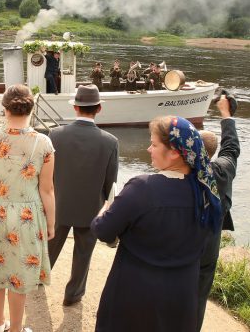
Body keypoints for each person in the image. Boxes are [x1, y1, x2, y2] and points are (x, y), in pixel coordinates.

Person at [91, 115, 222, 331]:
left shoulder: (142, 188)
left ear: (174, 152)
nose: (148, 149)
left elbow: (103, 230)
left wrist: (105, 209)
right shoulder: (207, 194)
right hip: (182, 295)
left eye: (154, 144)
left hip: (136, 294)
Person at [0, 84, 55, 332]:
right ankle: (16, 329)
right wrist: (50, 223)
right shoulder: (43, 143)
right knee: (19, 275)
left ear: (5, 109)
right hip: (28, 216)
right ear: (31, 109)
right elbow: (47, 190)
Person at [47, 84, 119, 307]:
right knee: (83, 254)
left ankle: (39, 278)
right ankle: (73, 294)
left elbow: (46, 174)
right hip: (91, 208)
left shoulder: (55, 135)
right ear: (99, 108)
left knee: (49, 245)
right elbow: (111, 183)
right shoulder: (110, 141)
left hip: (59, 203)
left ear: (75, 107)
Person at [196, 94, 241, 331]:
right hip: (208, 250)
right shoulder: (222, 172)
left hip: (181, 248)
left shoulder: (183, 174)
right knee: (199, 297)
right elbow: (231, 149)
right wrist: (226, 115)